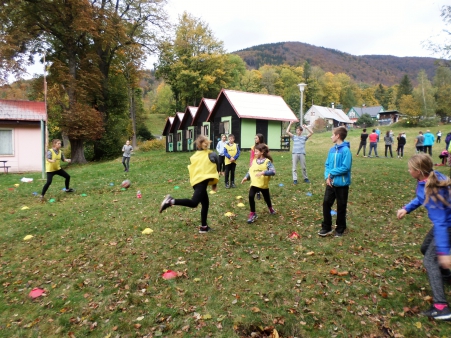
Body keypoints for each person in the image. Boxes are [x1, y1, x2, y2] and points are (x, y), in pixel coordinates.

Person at [397, 153, 451, 320]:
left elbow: (441, 223)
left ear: (419, 171)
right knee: (425, 248)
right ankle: (446, 276)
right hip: (445, 223)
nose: (408, 170)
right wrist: (407, 208)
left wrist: (443, 252)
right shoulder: (430, 179)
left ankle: (441, 307)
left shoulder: (433, 189)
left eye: (410, 169)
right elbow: (422, 197)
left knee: (430, 260)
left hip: (447, 226)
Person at [159, 135, 219, 233]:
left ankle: (204, 227)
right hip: (201, 182)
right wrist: (215, 182)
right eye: (205, 142)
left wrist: (213, 182)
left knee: (205, 203)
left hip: (196, 181)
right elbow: (216, 164)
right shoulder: (209, 154)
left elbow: (209, 166)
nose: (206, 144)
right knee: (194, 203)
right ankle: (171, 201)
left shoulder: (196, 156)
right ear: (202, 144)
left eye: (206, 142)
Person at [319, 126, 352, 237]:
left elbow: (345, 167)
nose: (331, 136)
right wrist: (327, 177)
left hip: (342, 184)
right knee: (326, 203)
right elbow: (327, 164)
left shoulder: (346, 150)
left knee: (341, 206)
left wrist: (331, 174)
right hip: (331, 183)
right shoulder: (331, 150)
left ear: (338, 136)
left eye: (333, 134)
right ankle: (326, 227)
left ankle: (340, 228)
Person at [241, 143, 276, 223]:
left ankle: (270, 208)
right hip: (255, 183)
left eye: (256, 151)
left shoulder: (267, 162)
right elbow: (250, 171)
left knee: (267, 198)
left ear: (262, 152)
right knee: (250, 196)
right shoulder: (253, 161)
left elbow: (273, 172)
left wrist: (263, 172)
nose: (255, 153)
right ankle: (253, 213)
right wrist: (246, 177)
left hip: (263, 184)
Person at [250, 133, 265, 200]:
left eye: (256, 138)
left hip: (262, 164)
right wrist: (251, 164)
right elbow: (252, 156)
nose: (255, 139)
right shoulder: (253, 147)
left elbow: (267, 155)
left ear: (260, 139)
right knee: (256, 178)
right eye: (255, 138)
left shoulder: (264, 146)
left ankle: (263, 191)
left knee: (262, 178)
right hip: (255, 164)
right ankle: (258, 193)